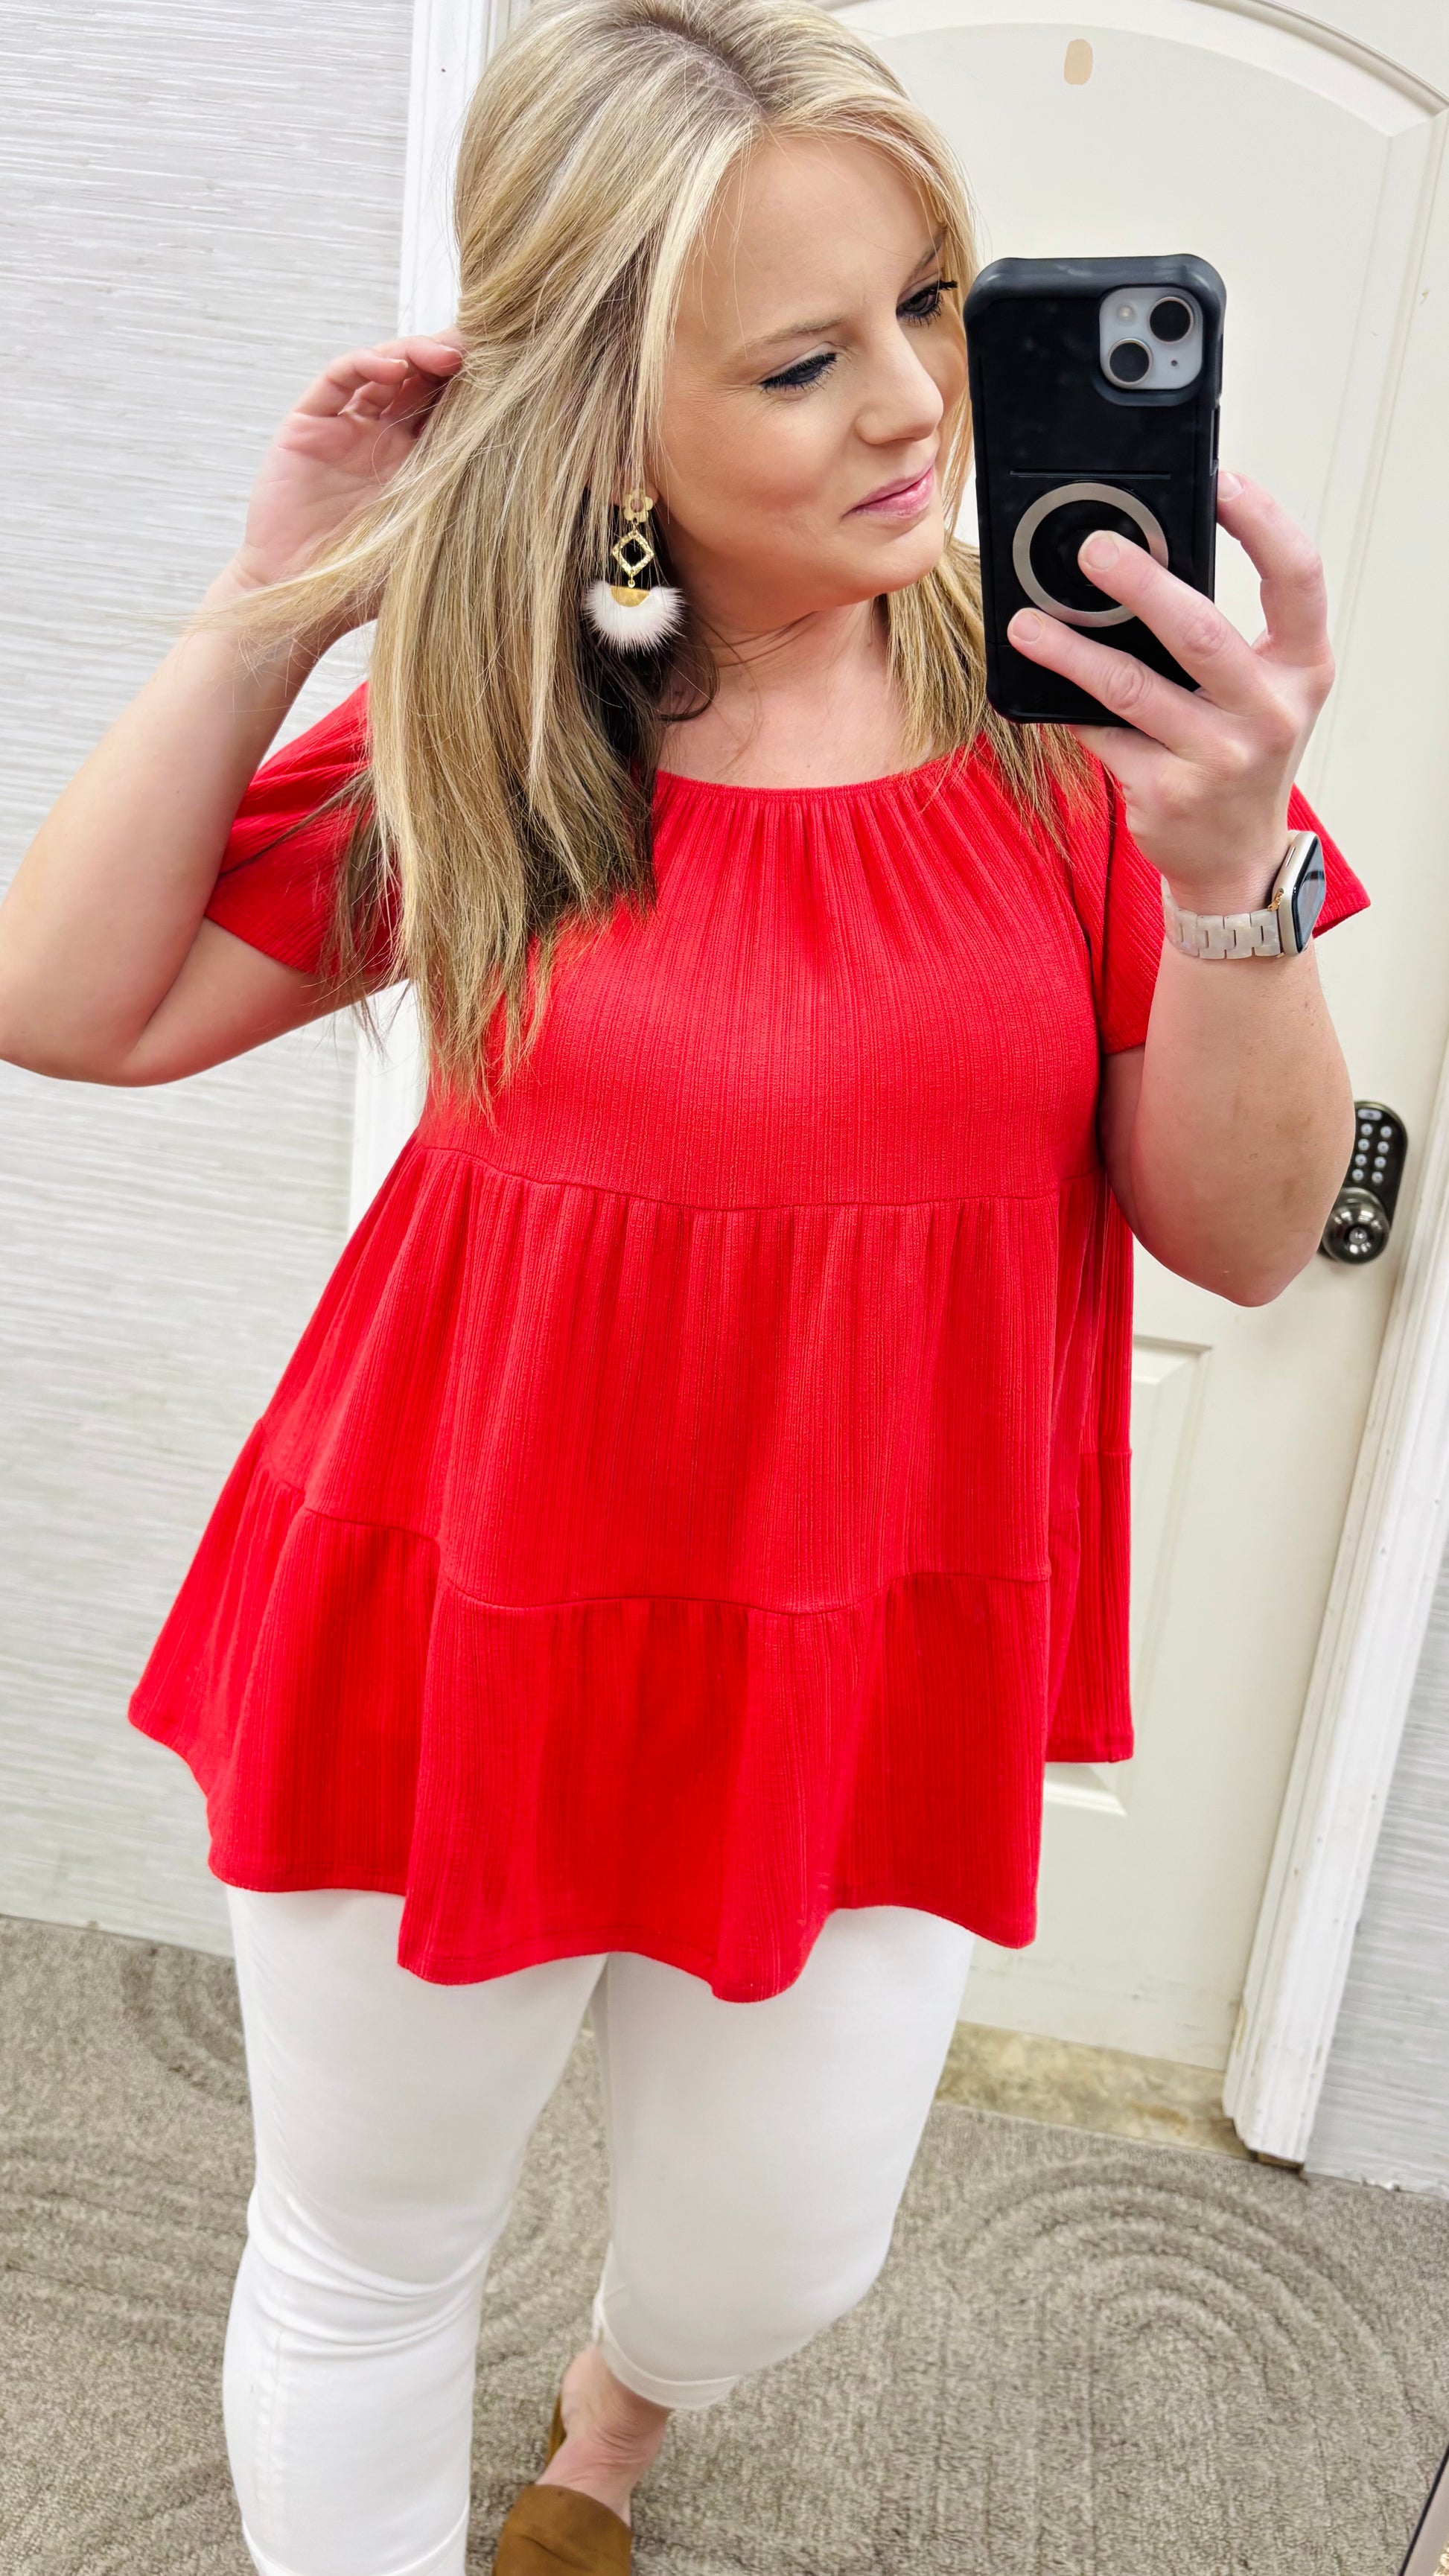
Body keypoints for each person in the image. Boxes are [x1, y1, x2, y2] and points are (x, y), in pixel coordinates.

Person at [0, 0, 1367, 2569]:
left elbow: (1243, 1232)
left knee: (778, 2256)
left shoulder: (1085, 739)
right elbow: (71, 1005)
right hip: (446, 1606)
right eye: (798, 359)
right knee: (365, 2248)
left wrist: (1230, 868)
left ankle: (619, 2413)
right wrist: (278, 591)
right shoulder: (507, 729)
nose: (914, 405)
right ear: (609, 418)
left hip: (869, 1639)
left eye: (926, 304)